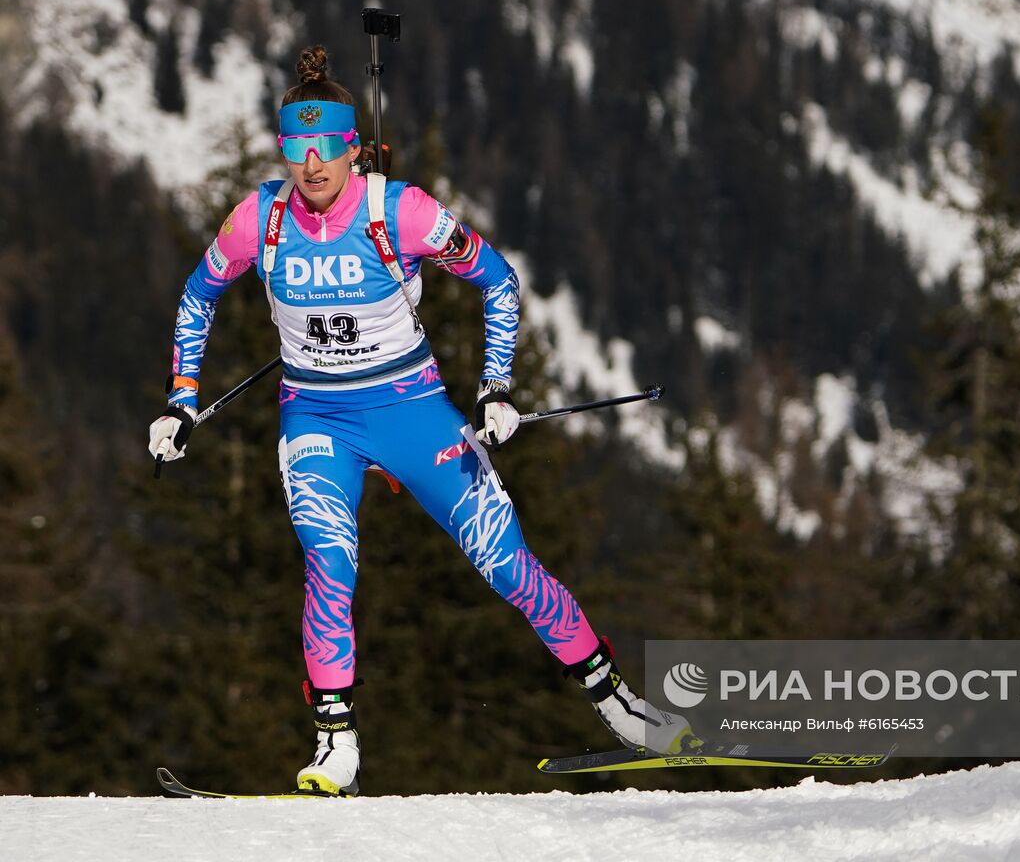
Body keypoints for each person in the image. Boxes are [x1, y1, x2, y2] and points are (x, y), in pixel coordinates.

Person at [147, 45, 697, 796]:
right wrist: (181, 400)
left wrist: (495, 390)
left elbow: (497, 280)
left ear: (351, 148)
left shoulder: (397, 212)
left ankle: (617, 703)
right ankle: (335, 740)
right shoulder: (258, 221)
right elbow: (197, 297)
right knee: (328, 562)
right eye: (295, 150)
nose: (310, 167)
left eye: (325, 149)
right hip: (316, 418)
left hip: (411, 412)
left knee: (507, 566)